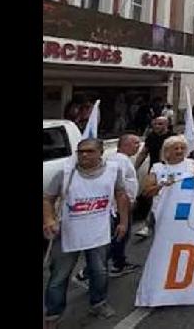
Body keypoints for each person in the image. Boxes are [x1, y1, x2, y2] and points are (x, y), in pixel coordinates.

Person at [43, 138, 130, 326]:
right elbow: (48, 199)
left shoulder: (113, 171)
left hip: (98, 231)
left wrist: (123, 222)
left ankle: (98, 303)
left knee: (99, 271)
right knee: (59, 276)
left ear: (100, 153)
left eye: (89, 151)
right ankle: (53, 314)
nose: (84, 155)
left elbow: (121, 195)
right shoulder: (65, 173)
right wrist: (49, 219)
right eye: (80, 151)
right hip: (68, 232)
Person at [141, 135, 194, 236]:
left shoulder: (193, 164)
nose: (180, 151)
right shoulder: (157, 168)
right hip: (163, 212)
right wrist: (161, 185)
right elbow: (146, 192)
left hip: (186, 211)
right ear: (167, 151)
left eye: (182, 148)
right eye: (176, 148)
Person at [104, 134, 141, 276]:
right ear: (124, 145)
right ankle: (88, 272)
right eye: (135, 143)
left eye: (138, 143)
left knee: (121, 237)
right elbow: (117, 185)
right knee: (119, 236)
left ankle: (119, 262)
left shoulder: (122, 159)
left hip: (122, 205)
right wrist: (124, 204)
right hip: (120, 207)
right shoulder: (120, 160)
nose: (137, 146)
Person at [133, 117, 175, 238]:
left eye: (160, 124)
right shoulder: (151, 137)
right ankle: (147, 225)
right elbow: (144, 152)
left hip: (170, 170)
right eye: (155, 124)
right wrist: (134, 168)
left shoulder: (172, 137)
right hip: (155, 170)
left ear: (167, 124)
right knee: (153, 198)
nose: (156, 126)